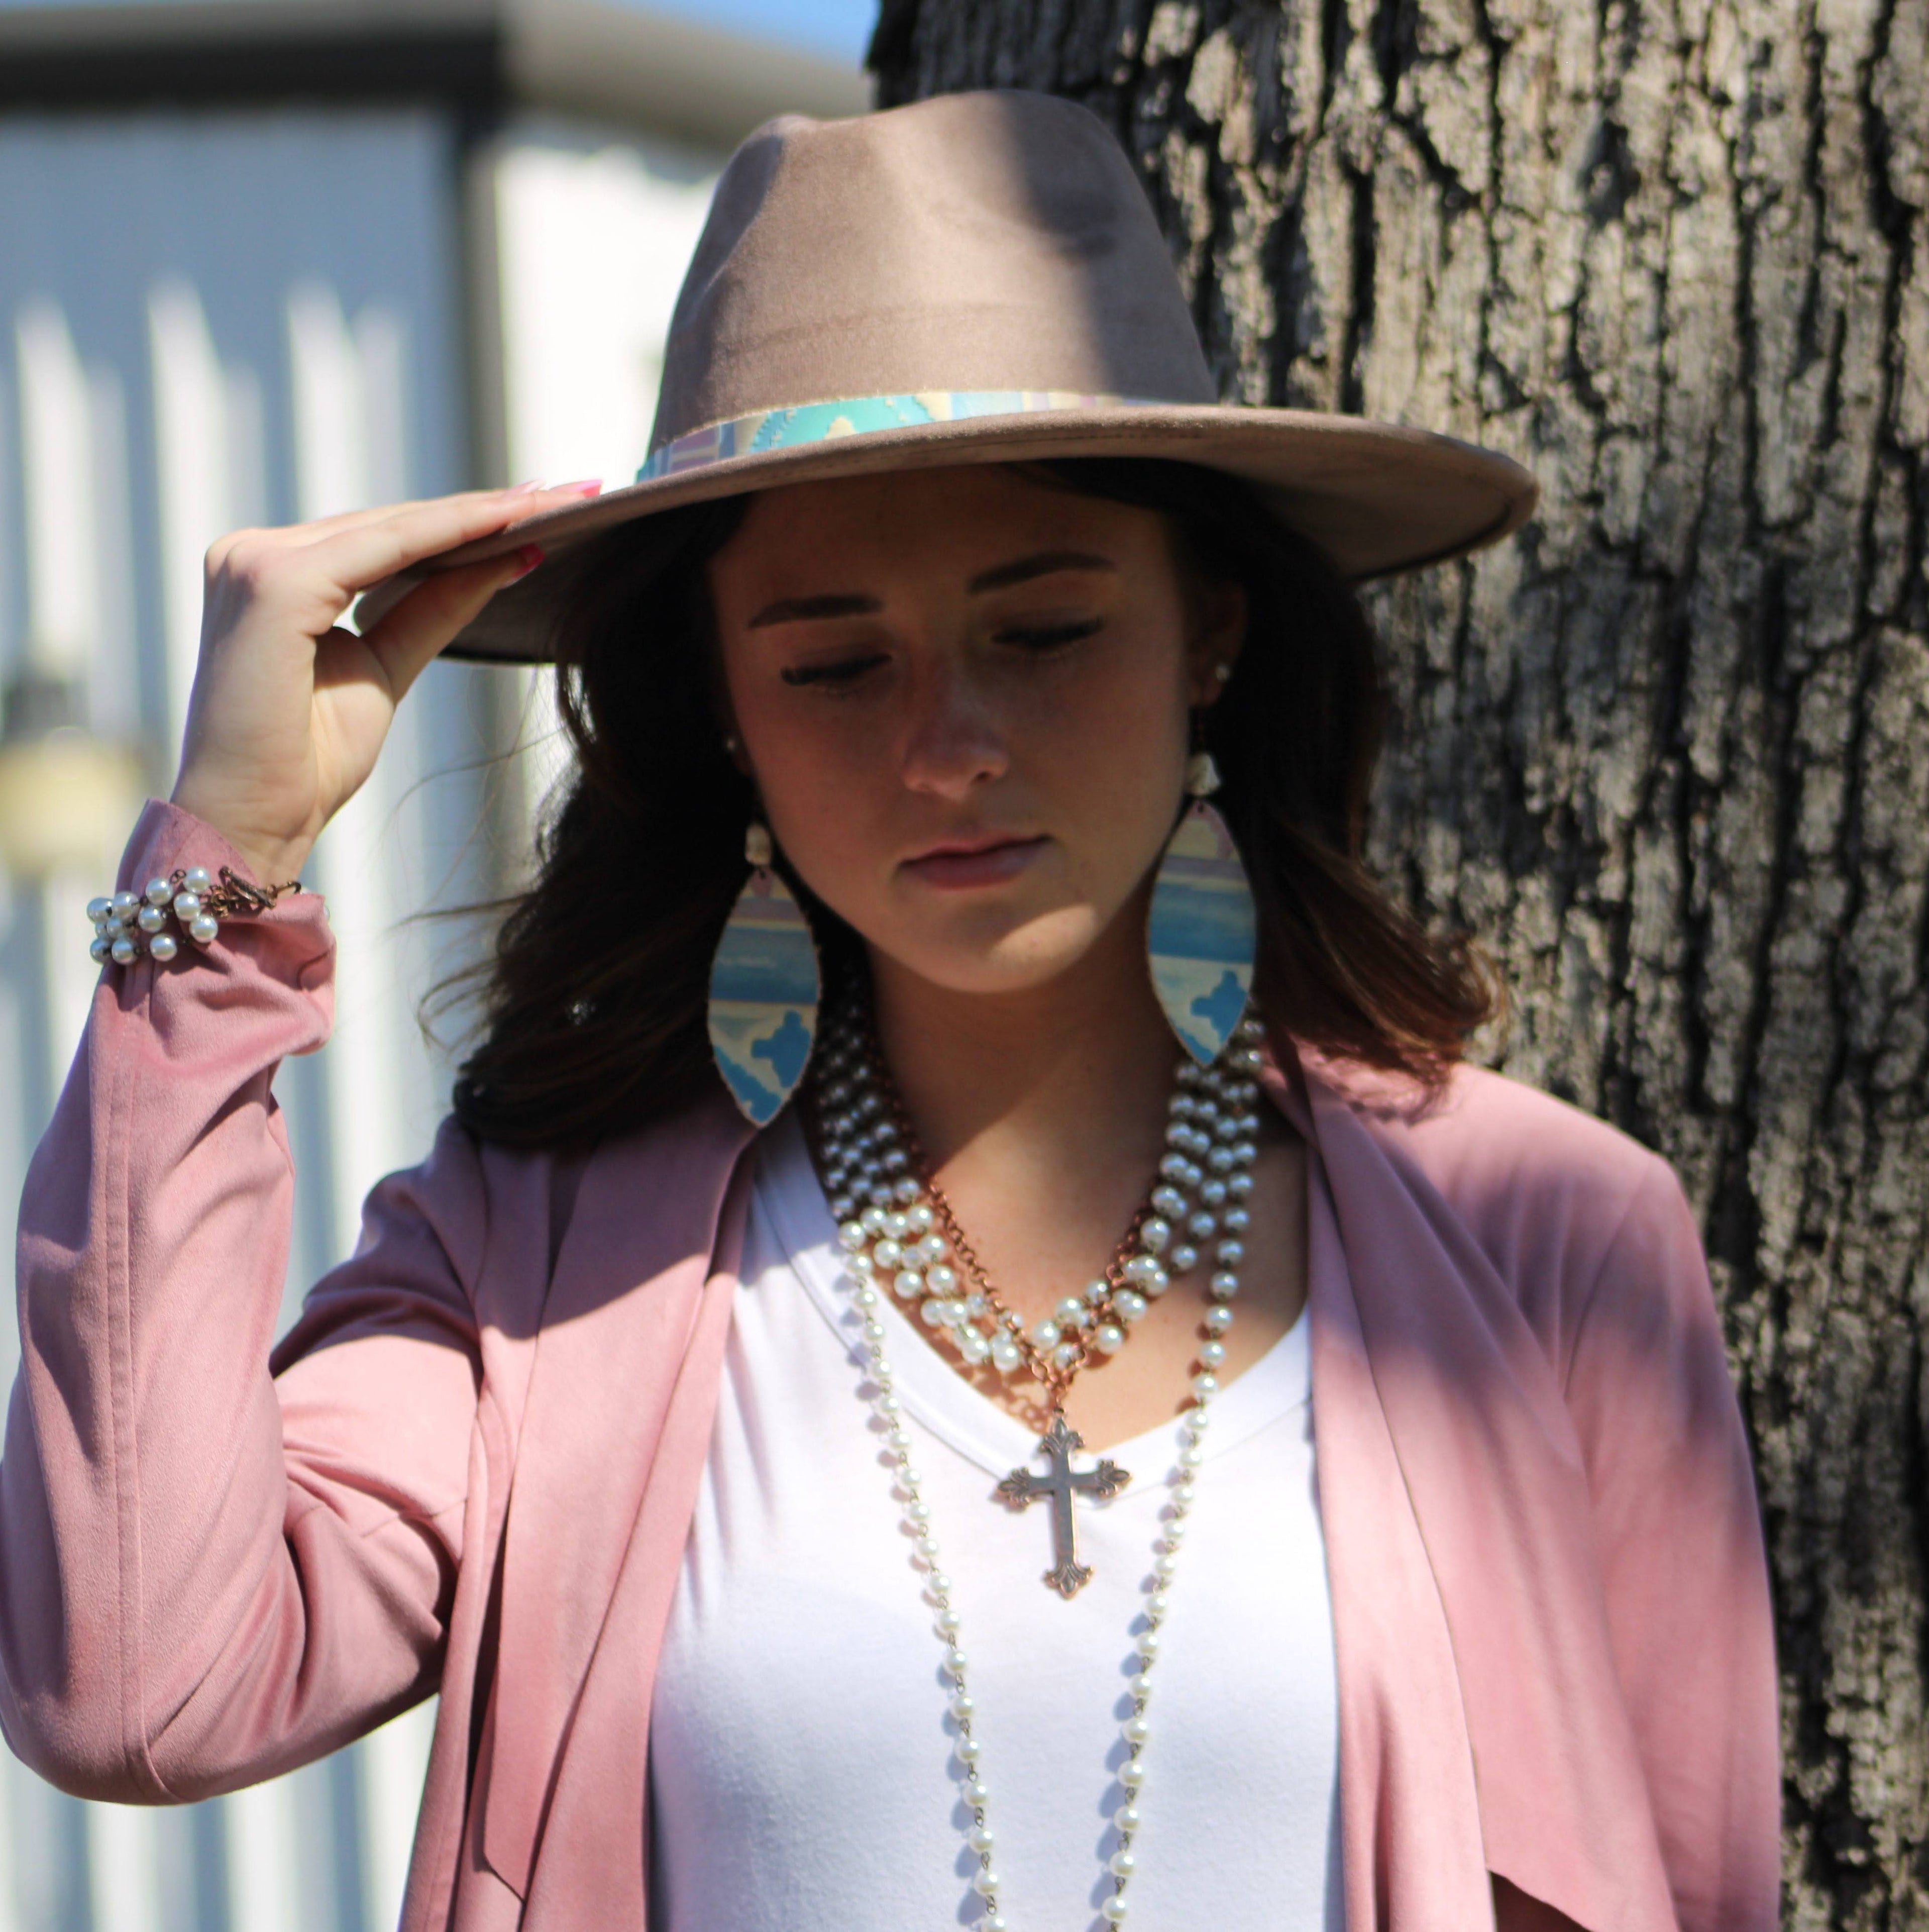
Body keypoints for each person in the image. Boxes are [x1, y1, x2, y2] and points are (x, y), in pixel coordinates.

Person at [2, 90, 1776, 1932]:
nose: (951, 749)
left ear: (1214, 636)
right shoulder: (535, 1271)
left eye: (1047, 630)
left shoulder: (1552, 1240)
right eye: (836, 665)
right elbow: (133, 1690)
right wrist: (221, 881)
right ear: (721, 712)